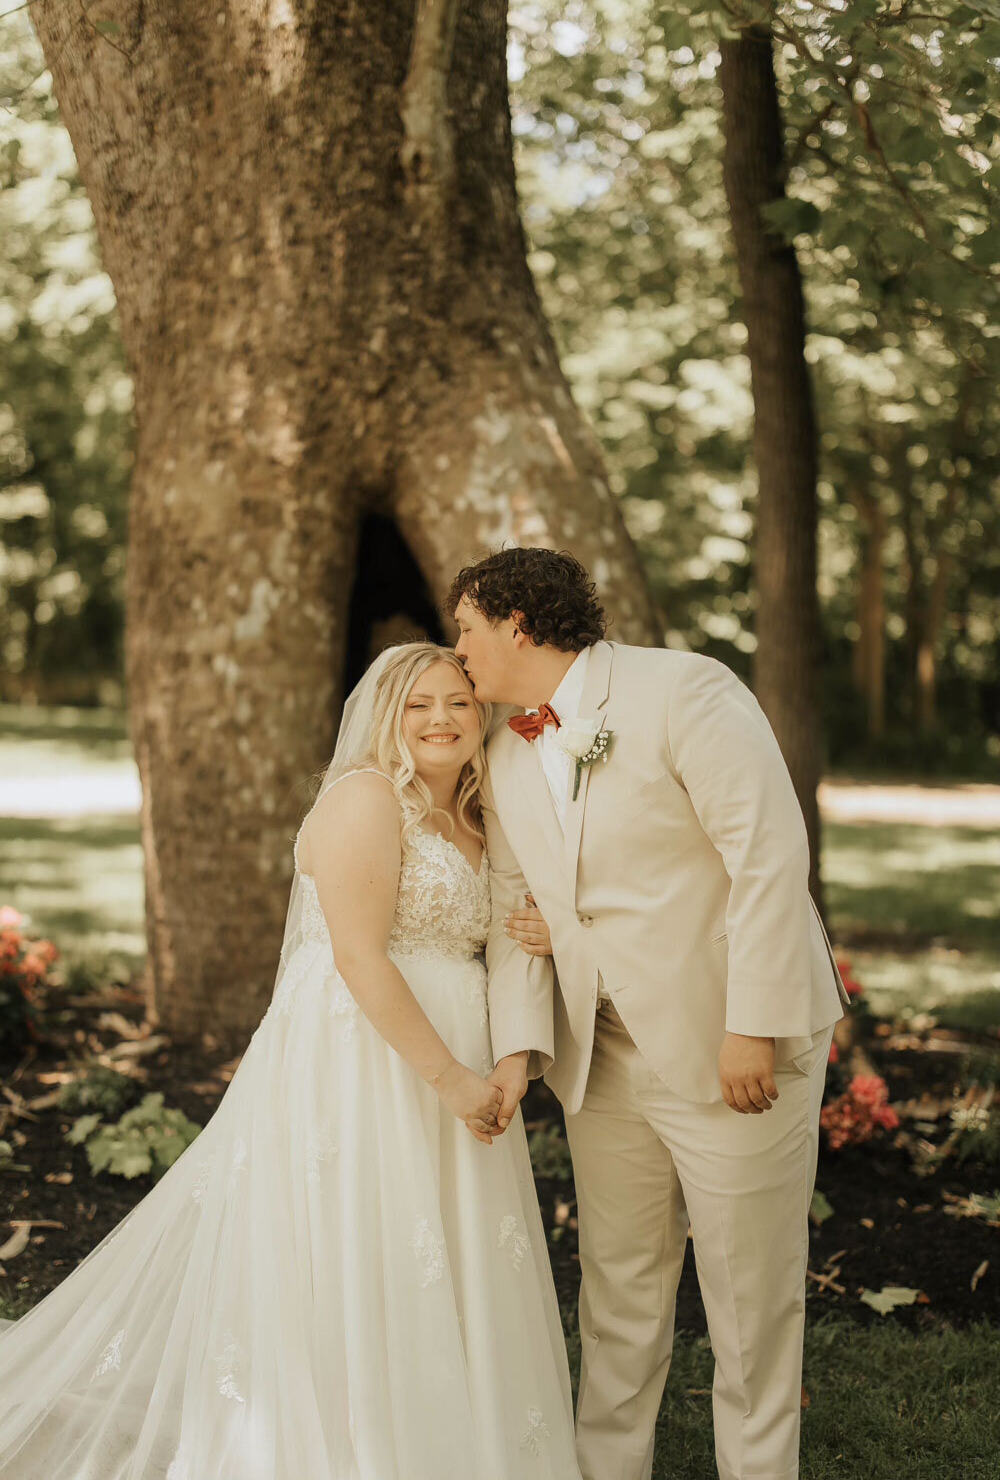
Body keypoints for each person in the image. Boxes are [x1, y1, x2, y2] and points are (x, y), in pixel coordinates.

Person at [0, 642, 583, 1480]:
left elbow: (506, 938)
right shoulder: (366, 800)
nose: (440, 720)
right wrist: (452, 1079)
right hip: (366, 1064)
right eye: (417, 705)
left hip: (462, 1058)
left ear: (481, 710)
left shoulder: (485, 811)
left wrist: (510, 1055)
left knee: (447, 1252)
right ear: (385, 716)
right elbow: (359, 958)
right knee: (361, 1244)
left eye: (457, 701)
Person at [446, 548, 850, 1480]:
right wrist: (520, 1047)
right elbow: (521, 905)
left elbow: (766, 854)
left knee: (750, 1304)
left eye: (466, 626)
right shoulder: (506, 749)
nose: (457, 646)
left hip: (728, 1045)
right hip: (604, 1059)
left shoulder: (687, 691)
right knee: (617, 1292)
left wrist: (753, 1023)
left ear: (517, 623)